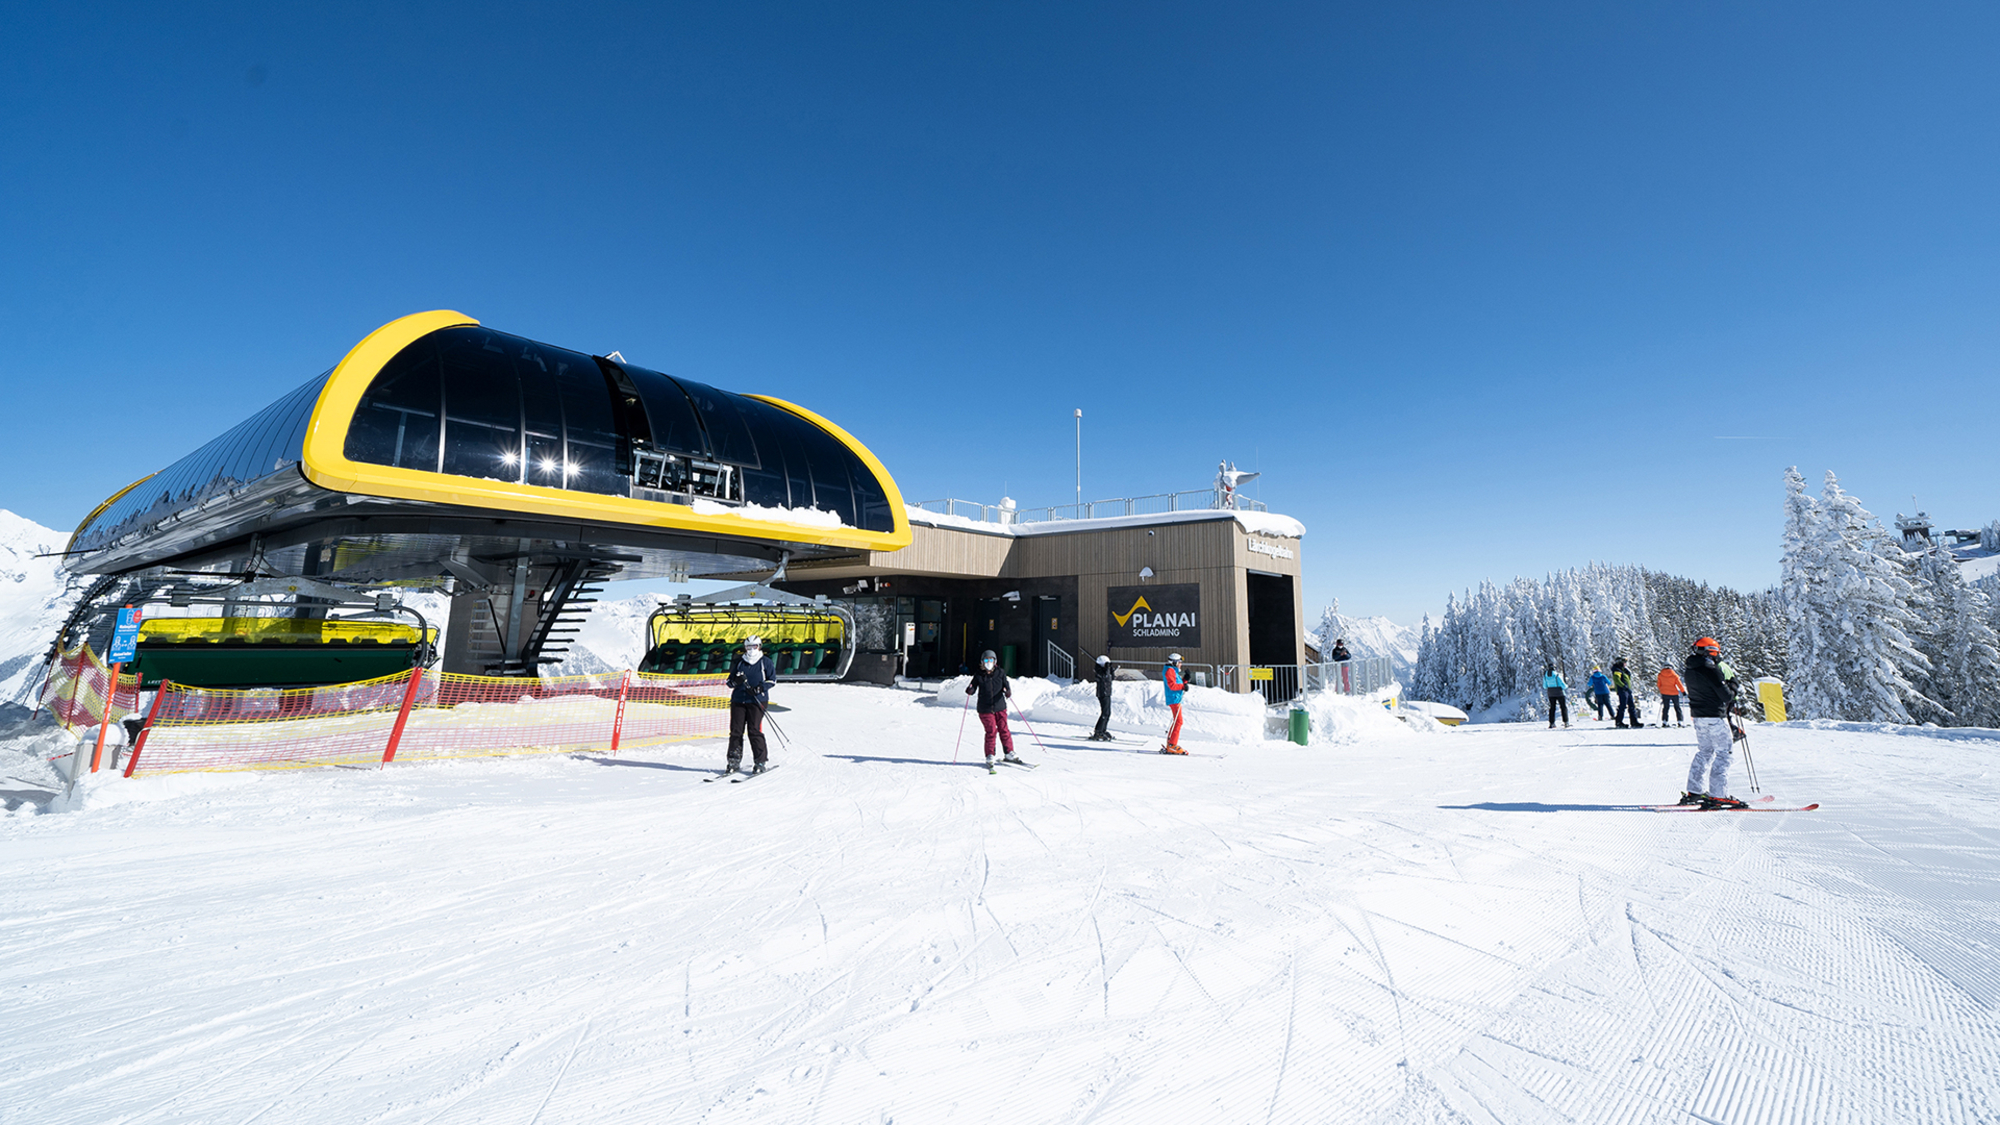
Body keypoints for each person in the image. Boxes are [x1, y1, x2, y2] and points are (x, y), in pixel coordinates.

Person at [1680, 636, 1748, 808]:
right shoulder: (1711, 669)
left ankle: (1694, 791)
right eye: (1715, 652)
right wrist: (1733, 686)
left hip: (1698, 716)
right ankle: (1719, 795)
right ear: (1710, 652)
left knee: (1704, 752)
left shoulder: (1689, 668)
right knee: (1724, 753)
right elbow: (1726, 696)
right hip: (1715, 717)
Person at [724, 634, 777, 775]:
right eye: (748, 647)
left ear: (759, 647)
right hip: (738, 700)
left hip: (757, 700)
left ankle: (760, 761)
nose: (751, 649)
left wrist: (760, 688)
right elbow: (730, 682)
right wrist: (737, 681)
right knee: (736, 731)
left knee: (754, 730)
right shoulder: (740, 662)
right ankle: (733, 761)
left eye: (754, 646)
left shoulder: (765, 661)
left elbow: (772, 680)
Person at [964, 650, 1021, 767]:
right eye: (986, 660)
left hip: (1000, 706)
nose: (989, 662)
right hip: (985, 709)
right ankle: (990, 755)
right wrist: (970, 690)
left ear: (995, 661)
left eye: (991, 660)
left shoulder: (1000, 672)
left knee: (1004, 730)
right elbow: (972, 687)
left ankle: (1009, 752)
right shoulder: (979, 675)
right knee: (991, 731)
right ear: (982, 662)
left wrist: (1008, 691)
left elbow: (1006, 684)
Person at [1161, 654, 1190, 753]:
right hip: (1174, 699)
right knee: (1178, 722)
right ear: (1174, 662)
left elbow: (1178, 682)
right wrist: (1183, 687)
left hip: (1176, 698)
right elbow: (1172, 686)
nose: (1180, 664)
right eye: (1179, 662)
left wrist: (1185, 680)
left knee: (1177, 721)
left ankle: (1171, 743)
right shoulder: (1170, 671)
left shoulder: (1172, 671)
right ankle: (1172, 745)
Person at [1090, 654, 1116, 741]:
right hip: (1102, 693)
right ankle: (1098, 731)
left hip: (1107, 693)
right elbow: (1105, 677)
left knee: (1107, 713)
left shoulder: (1105, 670)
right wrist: (1107, 669)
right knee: (1105, 713)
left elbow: (1112, 678)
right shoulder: (1100, 671)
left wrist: (1111, 670)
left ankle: (1102, 730)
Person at [1611, 657, 1640, 728]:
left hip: (1627, 690)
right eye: (1624, 662)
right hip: (1622, 690)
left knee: (1632, 706)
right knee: (1623, 706)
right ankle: (1619, 722)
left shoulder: (1623, 670)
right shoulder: (1617, 670)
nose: (1625, 664)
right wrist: (1623, 686)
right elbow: (1616, 679)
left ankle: (1634, 722)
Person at [1544, 664, 1570, 728]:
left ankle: (1552, 723)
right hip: (1559, 692)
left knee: (1552, 708)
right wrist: (1566, 686)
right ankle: (1566, 722)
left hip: (1550, 693)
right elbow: (1562, 684)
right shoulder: (1557, 675)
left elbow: (1544, 686)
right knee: (1563, 707)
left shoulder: (1545, 676)